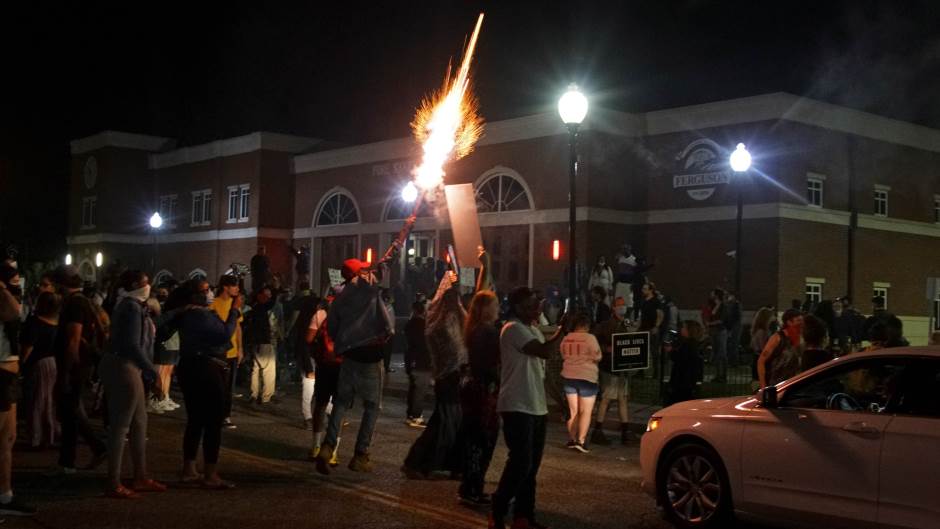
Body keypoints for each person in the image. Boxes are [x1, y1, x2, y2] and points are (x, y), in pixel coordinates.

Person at [490, 287, 563, 529]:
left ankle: (524, 516)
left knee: (531, 466)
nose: (537, 308)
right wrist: (565, 330)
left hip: (536, 405)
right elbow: (543, 352)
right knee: (520, 462)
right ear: (519, 307)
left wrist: (559, 401)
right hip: (516, 404)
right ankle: (497, 510)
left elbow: (543, 371)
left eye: (537, 304)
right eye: (532, 305)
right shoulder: (513, 330)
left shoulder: (531, 329)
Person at [159, 278, 241, 489]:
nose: (210, 292)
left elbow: (161, 323)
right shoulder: (199, 315)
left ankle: (189, 469)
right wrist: (235, 311)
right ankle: (211, 474)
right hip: (206, 368)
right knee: (213, 421)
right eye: (206, 290)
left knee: (195, 420)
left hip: (190, 367)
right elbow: (224, 333)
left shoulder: (187, 314)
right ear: (196, 295)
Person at [315, 259, 394, 475]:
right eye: (363, 268)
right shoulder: (368, 289)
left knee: (341, 402)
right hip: (370, 354)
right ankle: (360, 453)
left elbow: (331, 328)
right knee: (372, 406)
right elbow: (384, 268)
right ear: (357, 273)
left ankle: (328, 447)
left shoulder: (340, 299)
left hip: (349, 356)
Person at [98, 270, 166, 498]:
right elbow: (132, 345)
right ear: (137, 285)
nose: (149, 286)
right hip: (123, 365)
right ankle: (113, 481)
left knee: (139, 422)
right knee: (122, 425)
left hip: (128, 365)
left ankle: (140, 475)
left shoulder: (134, 306)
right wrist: (152, 373)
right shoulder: (131, 307)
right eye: (145, 282)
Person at [403, 271, 466, 478]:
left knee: (452, 422)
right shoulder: (440, 323)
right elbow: (453, 346)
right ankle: (420, 462)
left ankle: (454, 464)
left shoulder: (447, 319)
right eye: (451, 298)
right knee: (446, 422)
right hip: (448, 376)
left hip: (455, 376)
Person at [52, 265, 108, 475]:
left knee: (70, 410)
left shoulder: (74, 305)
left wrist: (66, 371)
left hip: (76, 365)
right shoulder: (84, 301)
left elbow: (73, 338)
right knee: (72, 410)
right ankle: (69, 460)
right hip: (83, 363)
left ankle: (80, 455)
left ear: (61, 284)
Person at [457, 286, 500, 505]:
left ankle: (471, 485)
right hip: (484, 390)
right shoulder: (487, 332)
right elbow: (490, 363)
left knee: (475, 439)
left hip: (474, 388)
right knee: (484, 439)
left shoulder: (474, 330)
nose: (498, 308)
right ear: (486, 310)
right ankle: (474, 486)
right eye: (495, 305)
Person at [0, 265, 35, 515]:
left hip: (8, 376)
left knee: (8, 438)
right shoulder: (3, 300)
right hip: (0, 375)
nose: (17, 285)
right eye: (11, 280)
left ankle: (5, 496)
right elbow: (13, 311)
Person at [20, 291, 60, 449]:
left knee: (35, 401)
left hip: (37, 364)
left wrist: (21, 364)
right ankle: (48, 434)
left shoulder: (35, 322)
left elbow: (28, 347)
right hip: (53, 363)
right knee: (48, 400)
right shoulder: (56, 322)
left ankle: (36, 436)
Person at [591, 297, 632, 446]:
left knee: (622, 399)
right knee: (606, 398)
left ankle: (625, 432)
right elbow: (594, 342)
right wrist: (606, 349)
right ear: (613, 308)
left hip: (621, 368)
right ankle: (597, 431)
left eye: (624, 305)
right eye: (619, 305)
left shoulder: (625, 324)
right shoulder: (606, 325)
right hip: (610, 367)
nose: (622, 308)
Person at [559, 313, 602, 453]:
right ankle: (581, 441)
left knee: (573, 411)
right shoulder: (590, 338)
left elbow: (563, 355)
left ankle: (571, 439)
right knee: (585, 411)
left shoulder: (566, 339)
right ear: (586, 325)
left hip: (569, 376)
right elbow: (598, 356)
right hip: (587, 377)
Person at [307, 297, 338, 462]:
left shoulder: (319, 314)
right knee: (340, 408)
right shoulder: (350, 314)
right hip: (342, 366)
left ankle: (316, 445)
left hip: (324, 365)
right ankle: (333, 450)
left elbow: (309, 339)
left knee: (320, 404)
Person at [150, 283, 181, 414]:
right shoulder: (156, 304)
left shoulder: (170, 307)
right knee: (161, 371)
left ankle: (165, 396)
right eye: (160, 292)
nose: (163, 295)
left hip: (172, 341)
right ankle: (156, 398)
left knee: (168, 371)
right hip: (163, 341)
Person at [245, 286, 278, 404]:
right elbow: (272, 302)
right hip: (264, 342)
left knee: (255, 369)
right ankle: (266, 396)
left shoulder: (253, 308)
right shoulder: (262, 307)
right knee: (268, 370)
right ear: (259, 296)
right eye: (266, 296)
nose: (268, 298)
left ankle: (253, 394)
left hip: (254, 343)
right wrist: (276, 288)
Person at [758, 309, 804, 388]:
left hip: (794, 384)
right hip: (776, 384)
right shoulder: (777, 338)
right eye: (798, 320)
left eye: (802, 320)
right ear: (789, 322)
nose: (802, 323)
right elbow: (761, 361)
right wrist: (763, 386)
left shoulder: (801, 338)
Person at [293, 295, 319, 430]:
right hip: (309, 359)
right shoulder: (308, 321)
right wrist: (309, 367)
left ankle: (329, 413)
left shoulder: (306, 319)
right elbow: (305, 345)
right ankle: (308, 417)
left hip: (312, 358)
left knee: (312, 388)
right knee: (309, 387)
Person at [404, 301, 431, 428]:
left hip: (412, 360)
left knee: (414, 388)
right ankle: (416, 416)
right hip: (422, 361)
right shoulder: (423, 325)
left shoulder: (410, 324)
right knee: (420, 390)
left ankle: (410, 414)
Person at [665, 321, 705, 405]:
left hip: (682, 381)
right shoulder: (693, 344)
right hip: (688, 380)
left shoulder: (688, 345)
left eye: (684, 327)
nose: (681, 329)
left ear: (689, 331)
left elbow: (679, 358)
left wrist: (671, 351)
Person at [706, 289, 729, 383]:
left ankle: (722, 375)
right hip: (714, 331)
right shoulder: (713, 305)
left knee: (722, 353)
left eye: (713, 293)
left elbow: (722, 320)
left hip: (721, 330)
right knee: (716, 352)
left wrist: (710, 323)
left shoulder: (723, 306)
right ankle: (718, 375)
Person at [749, 307, 774, 388]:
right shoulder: (762, 332)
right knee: (760, 383)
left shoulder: (759, 331)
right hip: (761, 359)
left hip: (758, 357)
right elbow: (763, 347)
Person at [725, 293, 742, 366]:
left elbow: (734, 317)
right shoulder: (732, 305)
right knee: (731, 345)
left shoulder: (735, 305)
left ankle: (733, 362)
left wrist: (730, 327)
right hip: (733, 327)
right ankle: (732, 361)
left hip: (734, 327)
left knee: (733, 345)